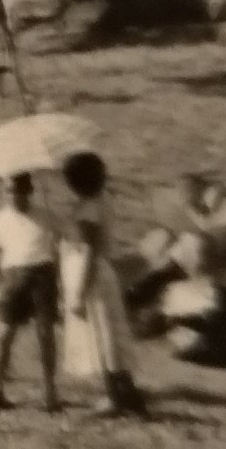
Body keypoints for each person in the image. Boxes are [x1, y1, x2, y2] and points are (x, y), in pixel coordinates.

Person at [59, 152, 149, 418]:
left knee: (101, 336)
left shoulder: (88, 210)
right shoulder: (100, 200)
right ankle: (127, 392)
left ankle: (115, 397)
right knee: (110, 335)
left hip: (91, 275)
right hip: (101, 273)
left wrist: (77, 293)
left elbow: (88, 251)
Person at [0, 172, 63, 414]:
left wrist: (58, 278)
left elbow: (59, 246)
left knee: (45, 333)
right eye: (9, 191)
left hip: (42, 276)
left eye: (19, 191)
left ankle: (50, 390)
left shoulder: (46, 216)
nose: (14, 196)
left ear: (29, 191)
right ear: (4, 192)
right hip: (13, 277)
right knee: (4, 334)